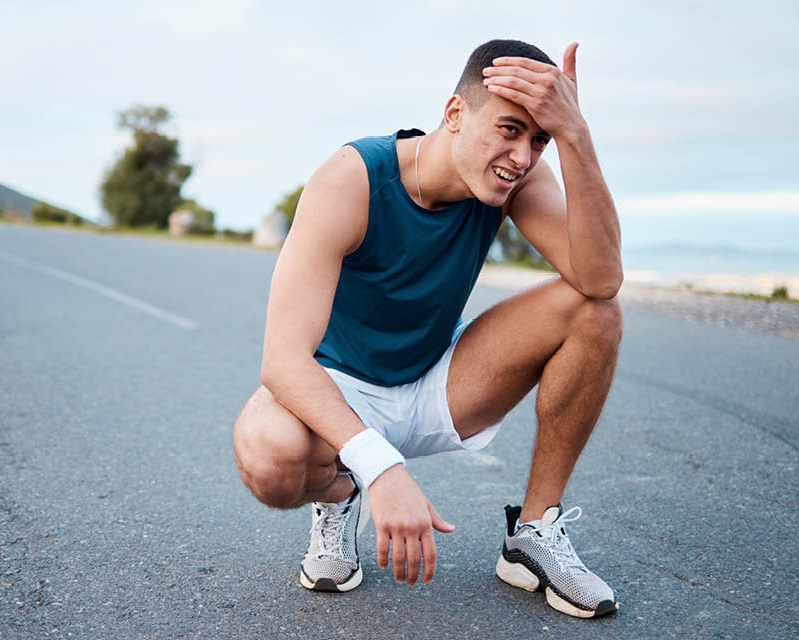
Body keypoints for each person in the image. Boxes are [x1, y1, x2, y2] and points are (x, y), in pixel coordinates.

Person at [232, 39, 623, 619]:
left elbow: (602, 277)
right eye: (510, 130)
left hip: (439, 381)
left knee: (595, 311)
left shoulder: (516, 181)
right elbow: (283, 361)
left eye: (539, 139)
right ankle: (341, 495)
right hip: (340, 394)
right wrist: (379, 468)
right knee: (268, 455)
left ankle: (533, 536)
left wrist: (577, 136)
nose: (521, 156)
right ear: (455, 114)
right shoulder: (354, 178)